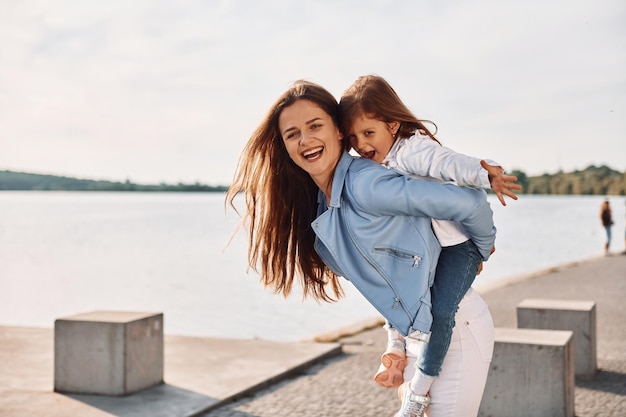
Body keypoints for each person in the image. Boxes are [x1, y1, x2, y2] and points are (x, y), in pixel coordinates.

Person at [226, 80, 497, 417]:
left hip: (454, 329)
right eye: (292, 134)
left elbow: (471, 202)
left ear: (339, 131)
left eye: (315, 126)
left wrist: (481, 249)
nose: (305, 140)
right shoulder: (322, 207)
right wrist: (395, 342)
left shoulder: (366, 184)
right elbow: (388, 279)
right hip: (418, 337)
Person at [338, 74, 521, 408]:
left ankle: (419, 391)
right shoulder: (374, 166)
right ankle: (395, 345)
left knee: (439, 312)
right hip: (429, 247)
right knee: (394, 282)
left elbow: (447, 163)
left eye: (368, 132)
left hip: (455, 247)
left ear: (392, 125)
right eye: (352, 137)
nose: (361, 144)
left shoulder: (412, 150)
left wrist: (485, 172)